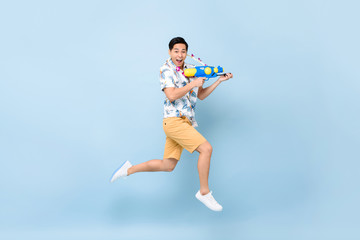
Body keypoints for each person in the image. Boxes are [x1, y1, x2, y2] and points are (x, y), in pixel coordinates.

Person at [110, 37, 233, 211]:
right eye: (176, 51)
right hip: (174, 121)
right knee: (206, 149)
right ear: (170, 52)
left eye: (183, 51)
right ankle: (204, 193)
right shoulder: (166, 70)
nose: (180, 54)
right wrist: (192, 84)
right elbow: (172, 95)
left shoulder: (191, 69)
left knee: (167, 165)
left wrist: (218, 81)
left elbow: (201, 95)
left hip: (184, 122)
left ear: (187, 53)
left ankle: (128, 170)